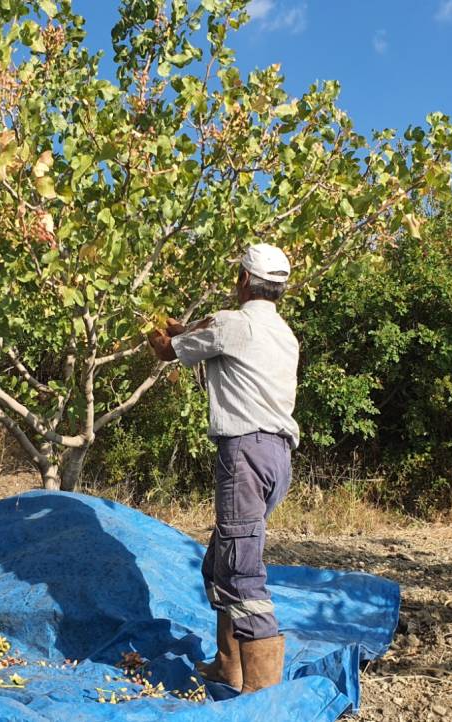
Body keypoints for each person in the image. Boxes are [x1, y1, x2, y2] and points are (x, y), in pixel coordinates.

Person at [146, 242, 299, 693]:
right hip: (276, 459)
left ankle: (260, 694)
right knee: (219, 563)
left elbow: (167, 350)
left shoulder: (234, 325)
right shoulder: (282, 334)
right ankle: (228, 666)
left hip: (246, 454)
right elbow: (206, 331)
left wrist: (157, 332)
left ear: (245, 280)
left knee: (239, 572)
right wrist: (185, 328)